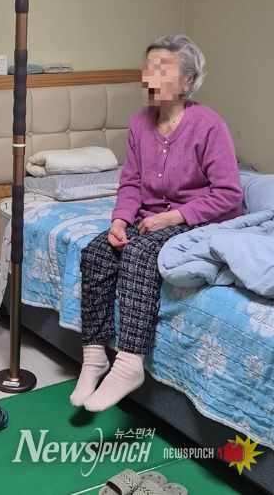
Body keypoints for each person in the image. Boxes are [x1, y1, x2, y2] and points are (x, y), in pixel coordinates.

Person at [70, 35, 242, 412]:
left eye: (162, 70)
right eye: (148, 68)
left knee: (140, 255)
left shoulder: (209, 125)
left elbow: (229, 193)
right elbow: (131, 182)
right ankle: (94, 356)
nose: (150, 77)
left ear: (187, 81)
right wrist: (120, 220)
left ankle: (129, 363)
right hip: (151, 218)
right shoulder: (140, 122)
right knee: (97, 252)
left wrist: (174, 215)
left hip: (199, 218)